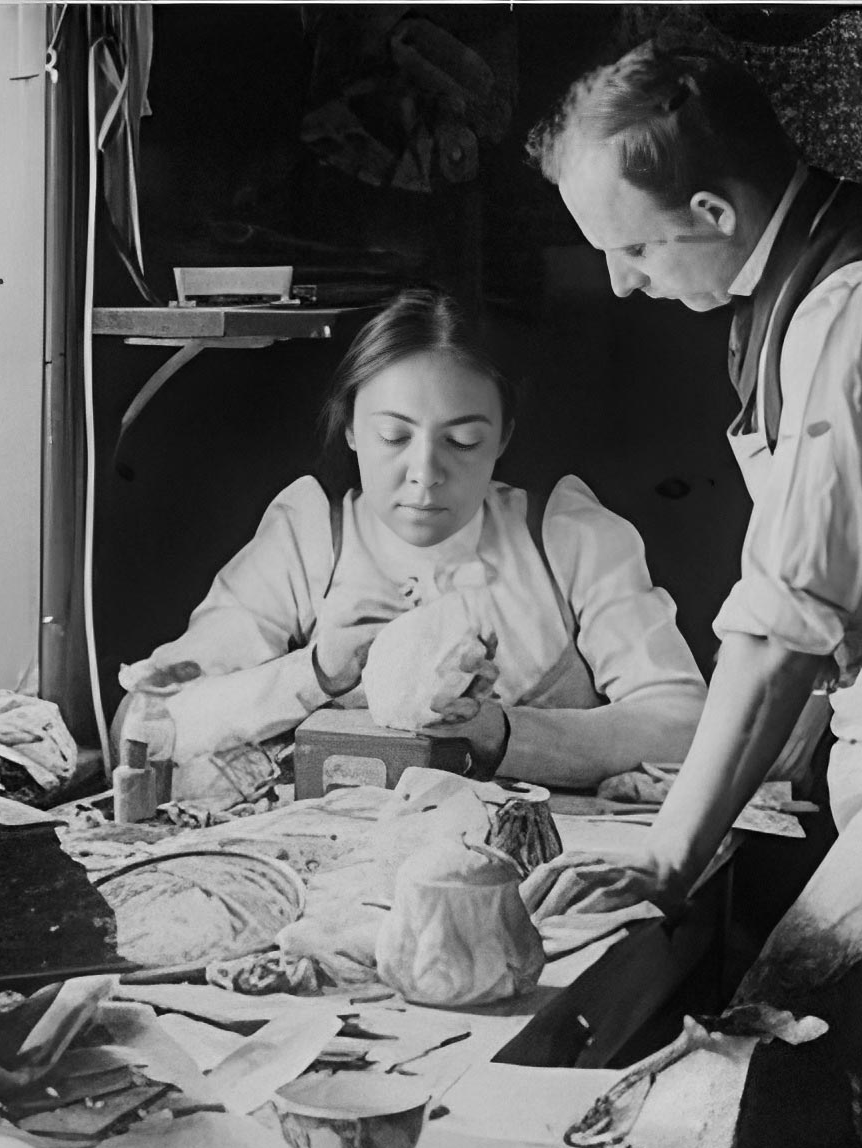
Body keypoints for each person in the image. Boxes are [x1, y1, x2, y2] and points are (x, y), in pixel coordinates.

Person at [523, 41, 862, 1091]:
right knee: (823, 1050)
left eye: (634, 249)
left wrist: (669, 855)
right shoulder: (799, 273)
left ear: (717, 214)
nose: (621, 281)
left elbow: (790, 618)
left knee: (791, 1051)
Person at [119, 287, 706, 791]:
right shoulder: (310, 540)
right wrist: (315, 673)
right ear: (351, 428)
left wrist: (499, 732)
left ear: (503, 437)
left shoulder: (567, 537)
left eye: (464, 442)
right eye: (394, 437)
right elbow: (144, 724)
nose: (425, 472)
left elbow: (683, 722)